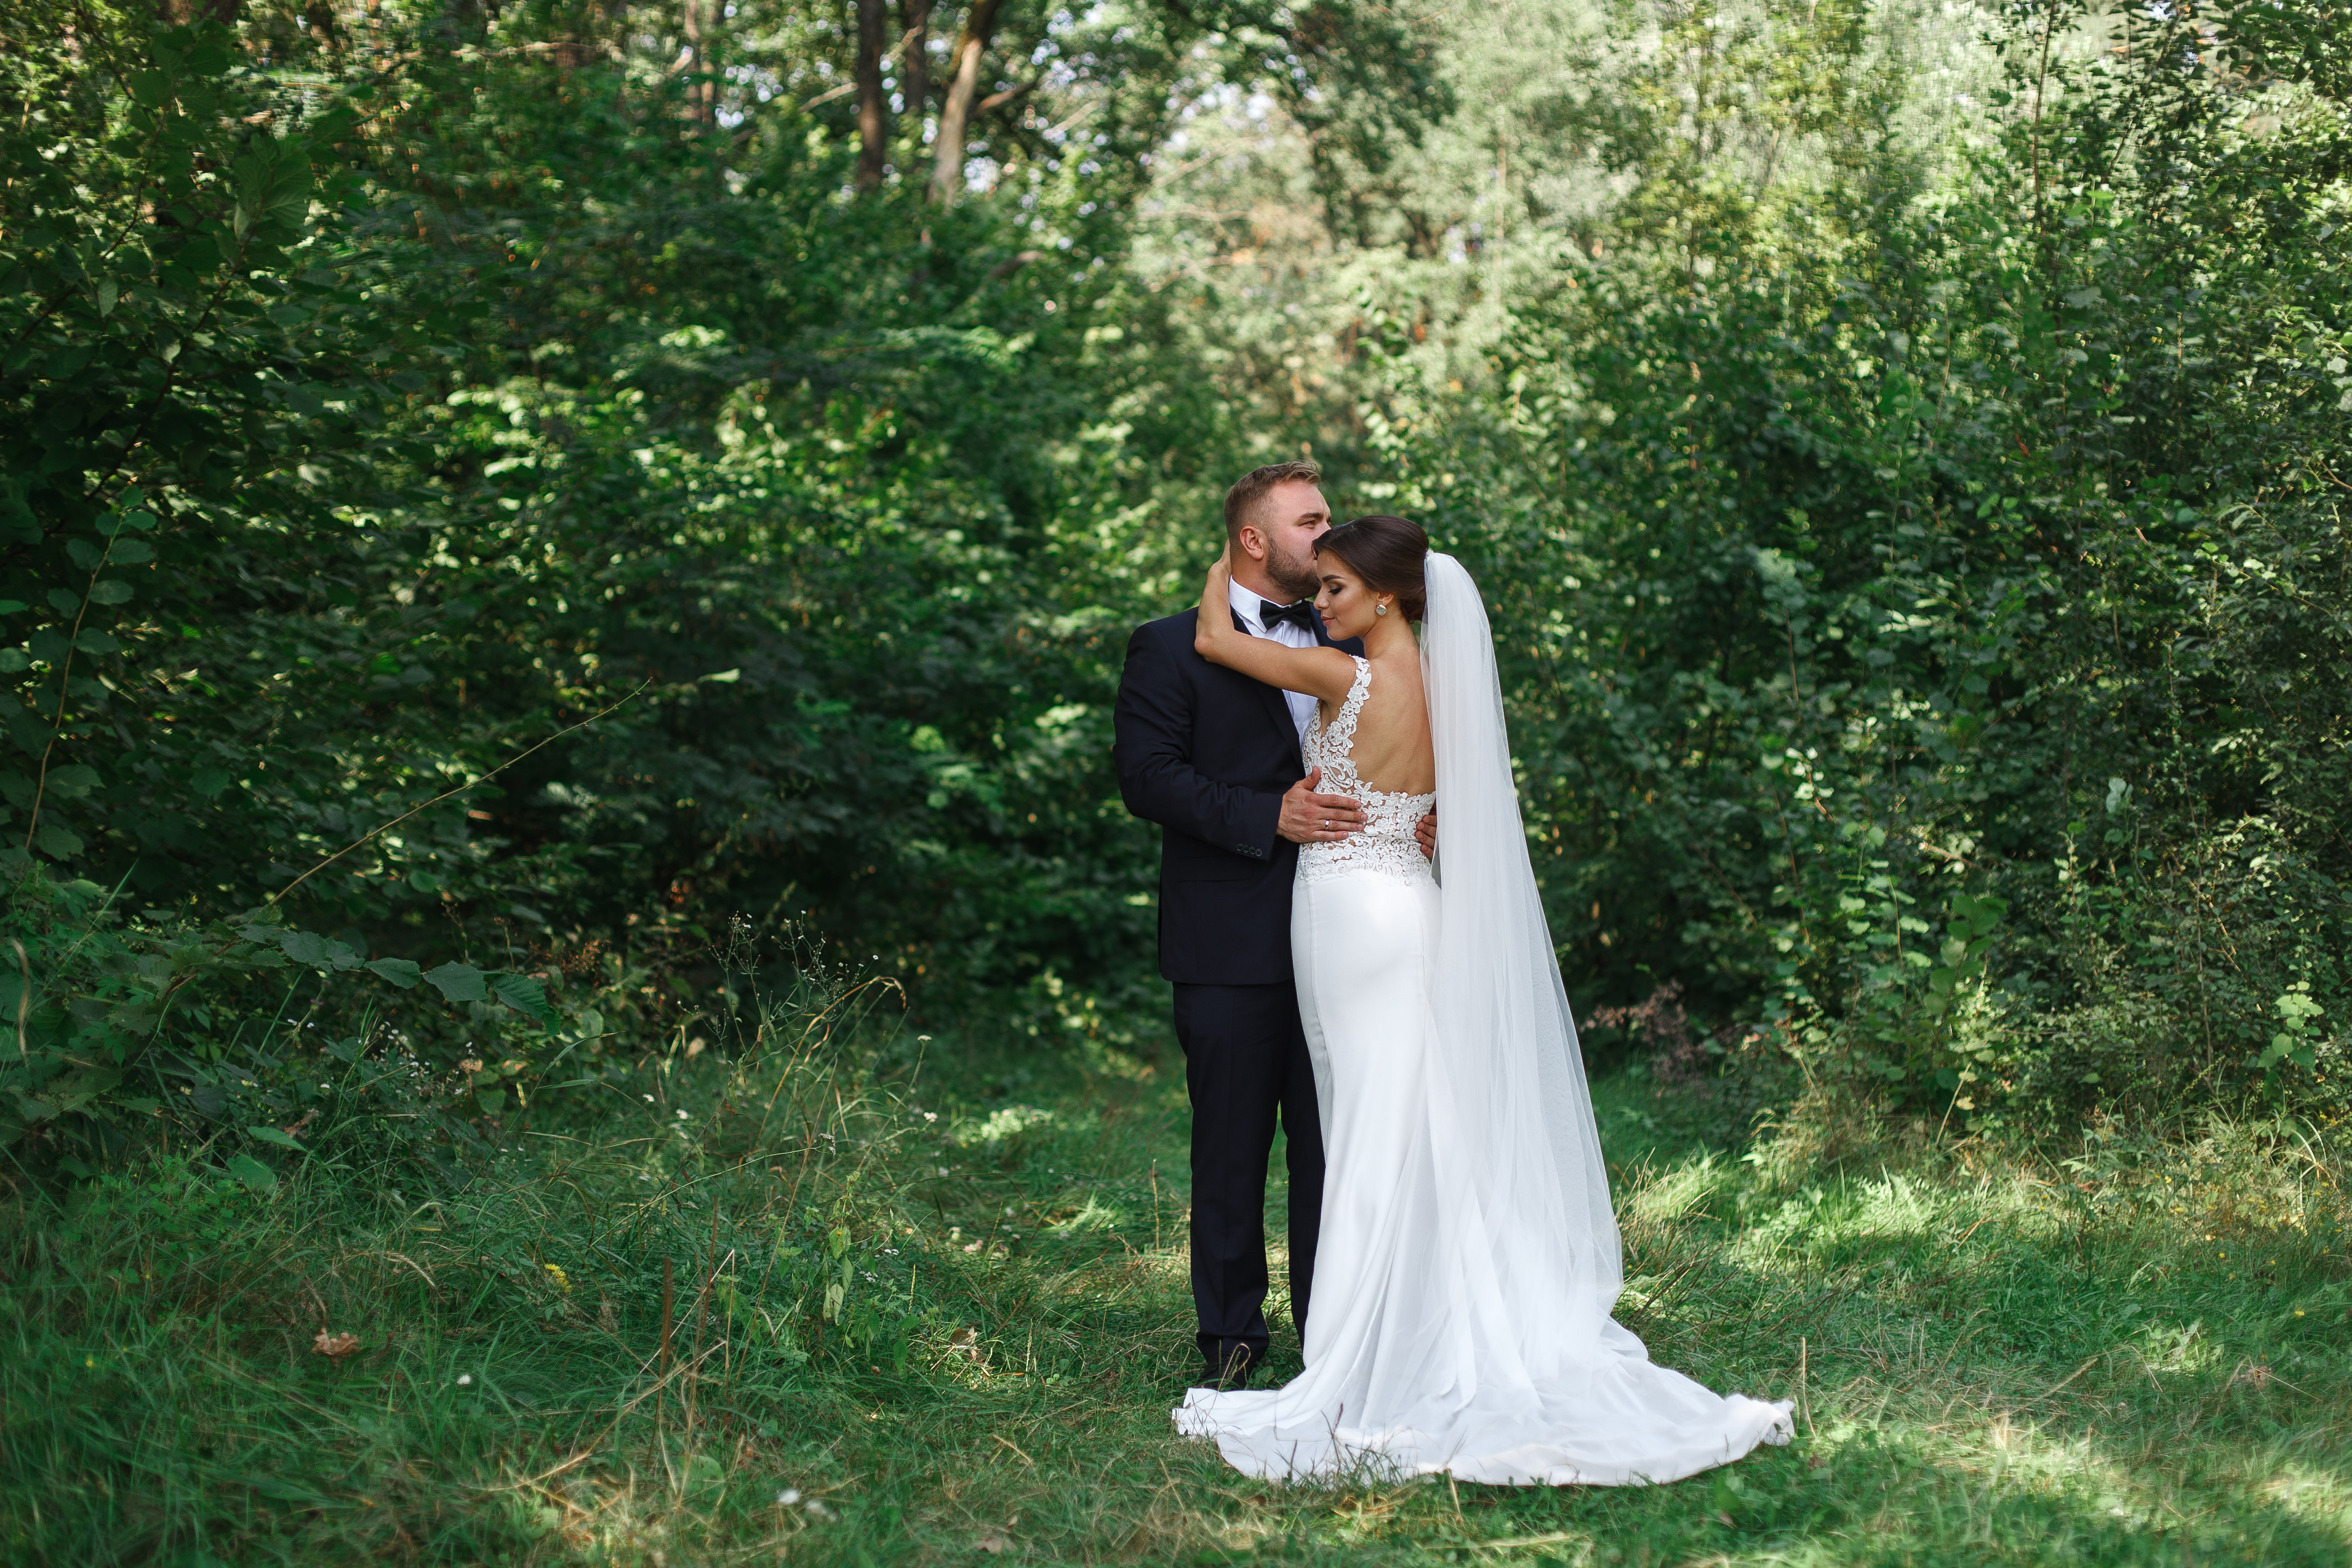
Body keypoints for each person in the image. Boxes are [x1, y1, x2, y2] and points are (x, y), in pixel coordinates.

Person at [1170, 514, 1793, 1485]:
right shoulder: (1444, 690)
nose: (1320, 601)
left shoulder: (1354, 676)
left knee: (1374, 1130)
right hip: (1404, 907)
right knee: (1412, 1124)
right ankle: (1412, 1323)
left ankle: (1365, 1358)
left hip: (1355, 921)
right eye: (1317, 584)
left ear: (1386, 597)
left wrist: (1235, 555)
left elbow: (1216, 639)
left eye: (1334, 587)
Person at [1111, 461, 1431, 1388]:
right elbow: (1148, 777)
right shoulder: (1170, 648)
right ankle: (1232, 1341)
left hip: (1355, 933)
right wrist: (1267, 818)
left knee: (1339, 1145)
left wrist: (1427, 811)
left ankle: (1339, 1335)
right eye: (1309, 521)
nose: (1325, 536)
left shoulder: (1372, 647)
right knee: (1231, 1144)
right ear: (1254, 540)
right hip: (1233, 936)